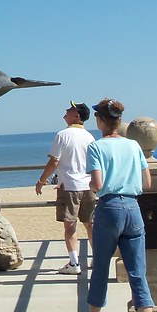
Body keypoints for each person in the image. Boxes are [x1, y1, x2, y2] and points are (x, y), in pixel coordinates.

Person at [76, 98, 157, 312]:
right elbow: (147, 183)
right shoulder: (134, 146)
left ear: (100, 120)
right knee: (137, 273)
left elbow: (97, 184)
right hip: (133, 208)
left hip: (109, 208)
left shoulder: (96, 147)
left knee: (101, 267)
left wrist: (92, 187)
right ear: (119, 121)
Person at [35, 101, 95, 274]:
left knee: (70, 225)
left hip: (69, 186)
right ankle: (97, 259)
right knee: (89, 224)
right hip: (88, 185)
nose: (66, 110)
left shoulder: (63, 135)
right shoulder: (90, 137)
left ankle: (74, 263)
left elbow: (54, 161)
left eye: (70, 109)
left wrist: (41, 180)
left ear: (76, 116)